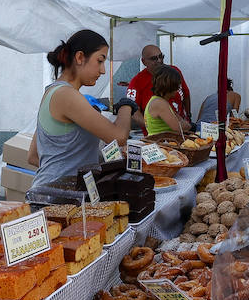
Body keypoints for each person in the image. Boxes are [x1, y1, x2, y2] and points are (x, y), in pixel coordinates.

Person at [27, 30, 136, 189]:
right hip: (59, 197)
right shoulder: (65, 95)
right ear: (79, 57)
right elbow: (119, 137)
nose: (103, 70)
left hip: (58, 191)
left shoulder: (54, 92)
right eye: (100, 61)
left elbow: (33, 156)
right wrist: (126, 106)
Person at [126, 44, 191, 128]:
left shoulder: (174, 71)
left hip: (179, 128)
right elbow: (133, 110)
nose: (159, 60)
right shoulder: (137, 81)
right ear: (143, 61)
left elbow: (186, 94)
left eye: (161, 56)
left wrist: (188, 116)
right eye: (154, 58)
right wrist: (152, 126)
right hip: (157, 135)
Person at [144, 66, 187, 138]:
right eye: (177, 86)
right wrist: (187, 124)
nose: (178, 90)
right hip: (161, 144)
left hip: (161, 142)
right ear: (170, 85)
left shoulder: (159, 101)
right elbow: (178, 128)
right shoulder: (159, 103)